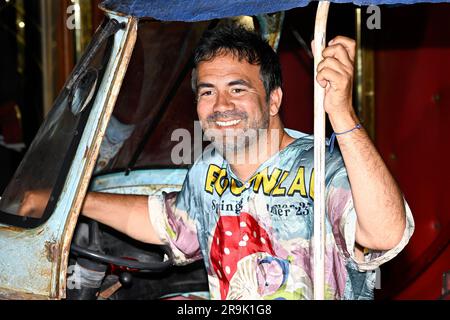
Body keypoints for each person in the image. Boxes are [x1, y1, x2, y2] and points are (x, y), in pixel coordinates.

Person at [22, 24, 414, 300]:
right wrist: (67, 201)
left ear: (274, 100)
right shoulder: (210, 171)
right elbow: (165, 222)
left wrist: (341, 113)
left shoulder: (320, 167)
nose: (221, 105)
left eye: (237, 89)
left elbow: (384, 234)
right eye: (208, 91)